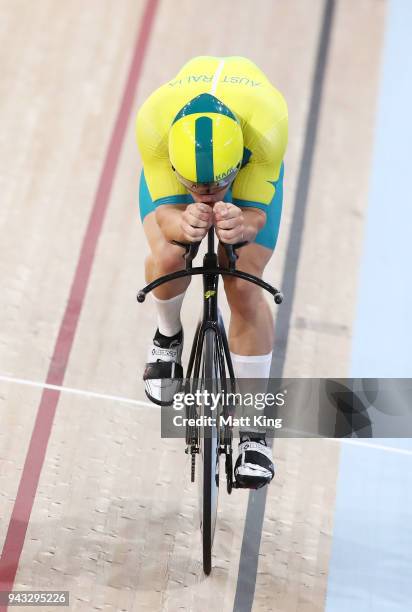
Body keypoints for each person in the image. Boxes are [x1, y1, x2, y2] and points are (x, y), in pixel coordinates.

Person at [135, 56, 288, 489]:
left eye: (216, 185)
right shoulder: (155, 124)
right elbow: (165, 215)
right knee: (169, 255)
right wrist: (180, 223)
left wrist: (245, 224)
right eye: (197, 187)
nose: (207, 195)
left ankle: (256, 431)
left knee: (242, 278)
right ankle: (167, 338)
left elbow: (257, 214)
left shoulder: (266, 125)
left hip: (250, 164)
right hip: (179, 164)